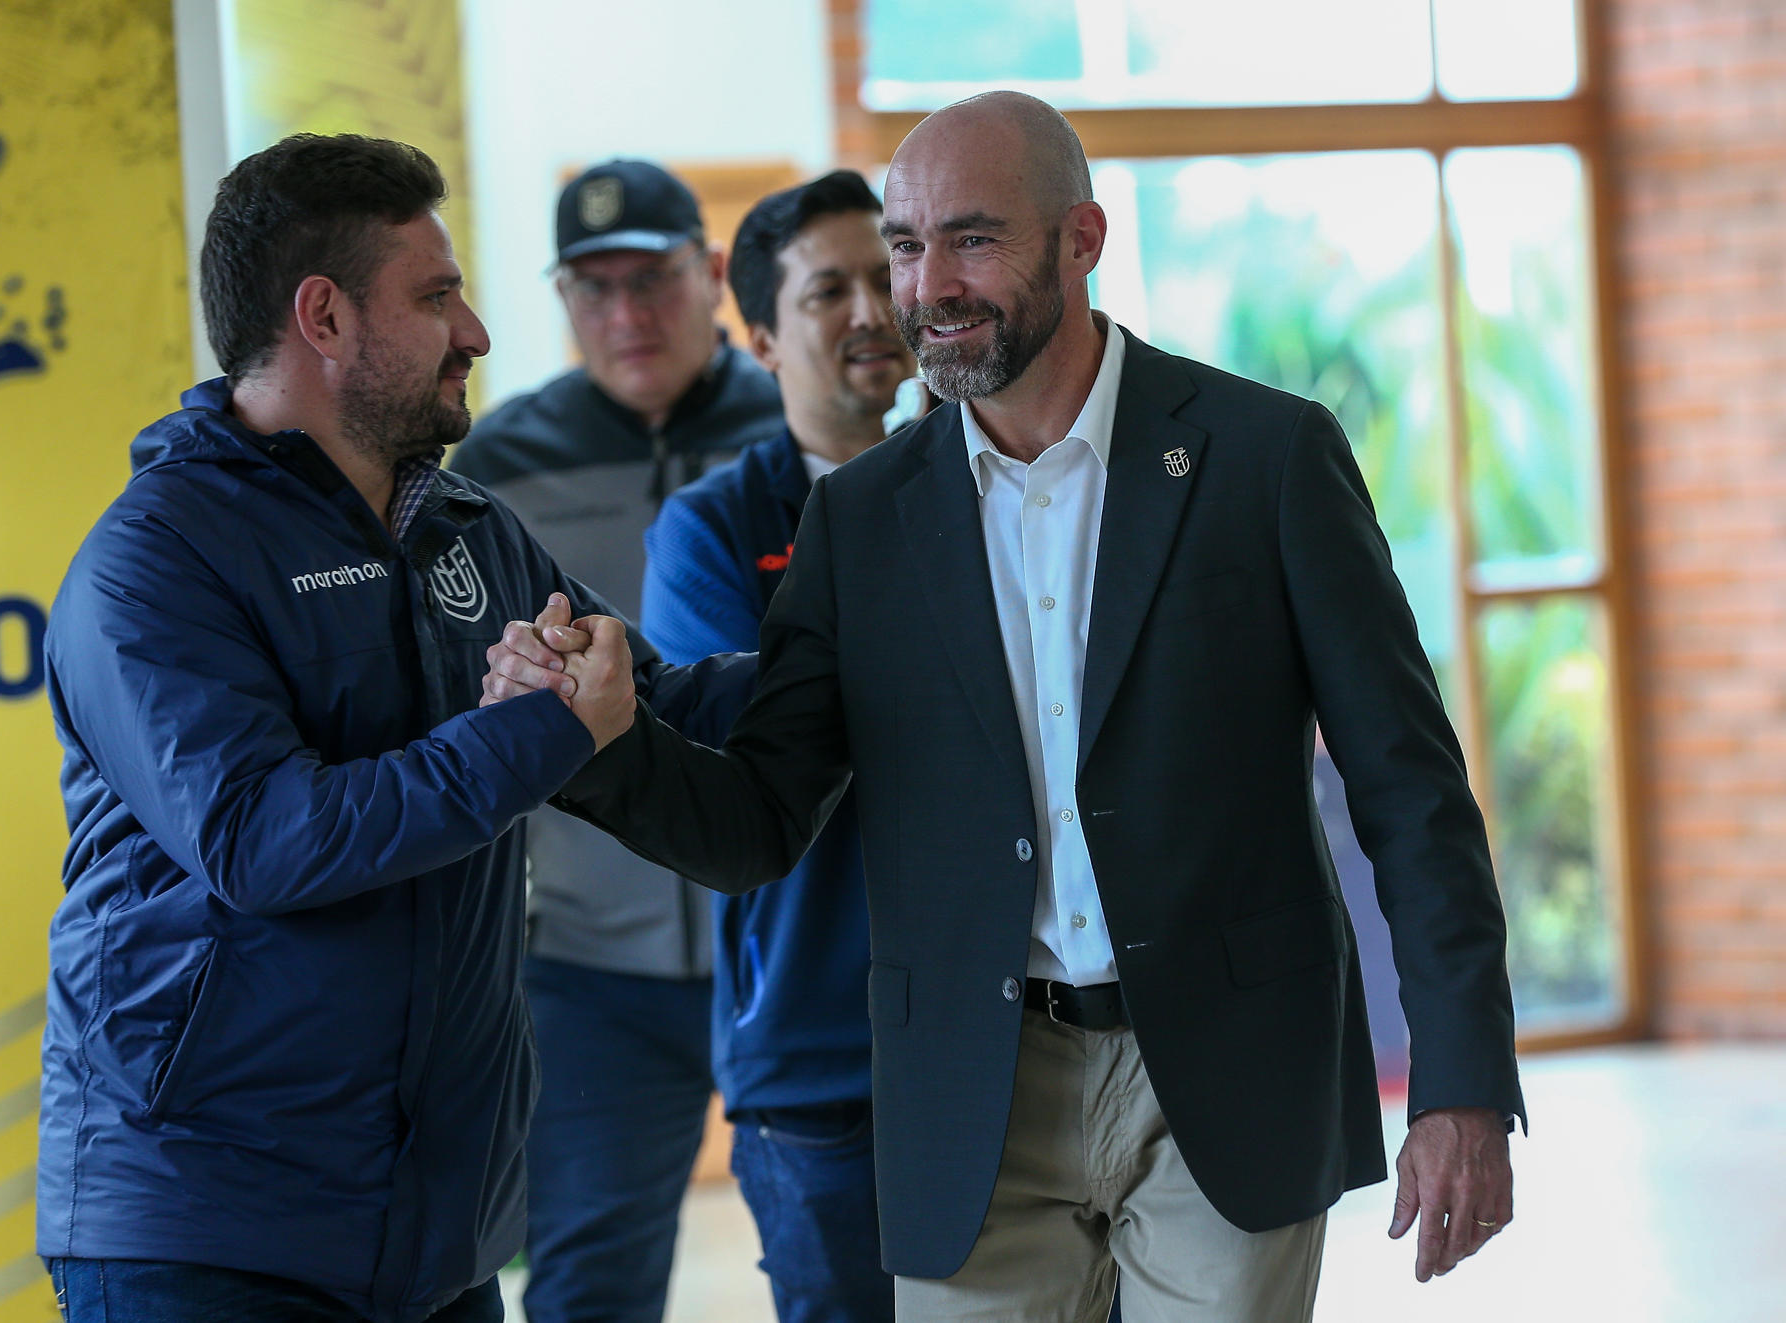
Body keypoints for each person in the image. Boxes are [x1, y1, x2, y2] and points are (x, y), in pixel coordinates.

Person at [487, 92, 1525, 1322]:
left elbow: (1409, 787)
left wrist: (1460, 1079)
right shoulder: (864, 518)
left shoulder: (1268, 458)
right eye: (908, 246)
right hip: (972, 1091)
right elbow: (764, 817)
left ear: (1081, 240)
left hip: (1227, 1070)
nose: (926, 287)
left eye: (972, 240)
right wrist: (597, 744)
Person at [37, 133, 748, 1323]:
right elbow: (267, 840)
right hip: (205, 1236)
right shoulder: (152, 561)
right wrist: (542, 731)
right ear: (323, 317)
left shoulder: (463, 524)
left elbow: (648, 693)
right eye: (436, 297)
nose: (474, 331)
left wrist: (872, 672)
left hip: (435, 1234)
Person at [447, 158, 783, 1323]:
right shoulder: (495, 468)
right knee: (589, 1280)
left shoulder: (798, 434)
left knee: (864, 1258)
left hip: (796, 934)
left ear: (712, 276)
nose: (626, 315)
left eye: (652, 278)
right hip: (589, 966)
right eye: (592, 289)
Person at [640, 169, 913, 1322]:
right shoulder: (713, 527)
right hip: (813, 1052)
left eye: (884, 275)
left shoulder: (992, 482)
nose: (870, 309)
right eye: (826, 290)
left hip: (1010, 1030)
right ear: (757, 335)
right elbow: (756, 735)